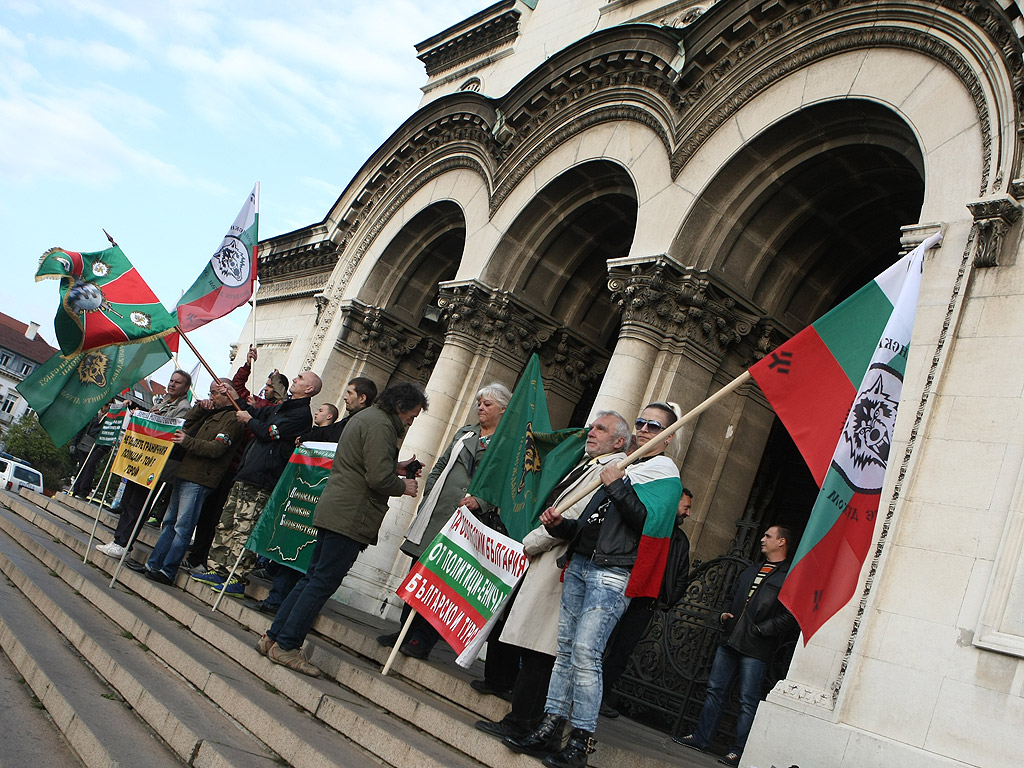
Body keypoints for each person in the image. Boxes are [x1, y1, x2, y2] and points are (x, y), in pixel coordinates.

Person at [507, 403, 682, 768]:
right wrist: (560, 528)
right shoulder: (626, 466)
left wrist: (616, 484)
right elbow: (594, 524)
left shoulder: (664, 474)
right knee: (567, 650)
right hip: (582, 563)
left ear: (668, 436)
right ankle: (552, 725)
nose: (645, 429)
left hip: (612, 572)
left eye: (654, 426)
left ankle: (581, 739)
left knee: (587, 653)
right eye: (641, 422)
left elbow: (645, 523)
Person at [255, 382, 428, 677]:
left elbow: (361, 463)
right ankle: (287, 645)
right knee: (321, 582)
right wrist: (404, 485)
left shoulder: (365, 418)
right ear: (400, 407)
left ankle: (274, 636)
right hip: (351, 515)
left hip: (336, 507)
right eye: (411, 416)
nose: (411, 422)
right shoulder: (382, 426)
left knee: (311, 578)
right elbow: (377, 478)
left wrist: (394, 467)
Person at [475, 411, 630, 740]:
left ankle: (524, 721)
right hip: (549, 560)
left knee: (540, 649)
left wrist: (528, 544)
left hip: (557, 561)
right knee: (534, 645)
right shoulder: (590, 463)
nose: (591, 432)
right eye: (593, 426)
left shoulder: (609, 470)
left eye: (600, 429)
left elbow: (570, 515)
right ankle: (520, 717)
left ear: (619, 442)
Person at [376, 382, 511, 661]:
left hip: (471, 522)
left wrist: (481, 502)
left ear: (503, 408)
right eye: (479, 403)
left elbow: (508, 484)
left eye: (487, 404)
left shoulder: (509, 443)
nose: (481, 408)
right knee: (421, 572)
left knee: (445, 582)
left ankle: (423, 639)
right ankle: (404, 630)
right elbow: (441, 464)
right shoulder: (466, 432)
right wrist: (433, 491)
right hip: (439, 513)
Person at [251, 376, 379, 614]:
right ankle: (278, 599)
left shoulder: (365, 424)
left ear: (362, 398)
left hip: (336, 502)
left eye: (350, 393)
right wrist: (310, 438)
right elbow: (330, 434)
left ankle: (284, 604)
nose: (345, 396)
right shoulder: (352, 421)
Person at [673, 525, 798, 768]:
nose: (762, 539)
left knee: (747, 700)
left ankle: (739, 751)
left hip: (757, 647)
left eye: (768, 536)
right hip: (730, 639)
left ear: (781, 542)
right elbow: (731, 597)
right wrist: (723, 615)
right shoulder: (751, 570)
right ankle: (701, 738)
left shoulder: (788, 576)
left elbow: (790, 614)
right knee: (715, 690)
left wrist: (764, 630)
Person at [190, 370, 322, 595]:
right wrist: (234, 396)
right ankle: (218, 568)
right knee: (227, 522)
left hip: (264, 478)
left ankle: (237, 576)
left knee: (245, 528)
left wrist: (249, 420)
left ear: (309, 389)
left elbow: (268, 432)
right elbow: (255, 413)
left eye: (300, 378)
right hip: (247, 472)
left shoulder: (301, 415)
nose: (296, 379)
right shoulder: (284, 406)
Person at [128, 379, 244, 583]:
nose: (211, 397)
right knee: (169, 523)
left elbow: (217, 448)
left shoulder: (233, 419)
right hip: (185, 472)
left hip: (200, 478)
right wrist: (199, 409)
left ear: (227, 393)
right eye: (210, 393)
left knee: (183, 527)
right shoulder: (211, 412)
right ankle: (153, 564)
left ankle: (168, 570)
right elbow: (186, 426)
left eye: (215, 393)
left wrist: (187, 441)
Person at [600, 488, 693, 718]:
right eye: (686, 506)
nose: (688, 513)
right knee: (600, 641)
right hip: (624, 590)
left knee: (621, 651)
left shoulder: (680, 541)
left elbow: (682, 575)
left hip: (646, 603)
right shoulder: (648, 522)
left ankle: (601, 696)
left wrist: (667, 599)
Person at [95, 370, 192, 559]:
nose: (172, 384)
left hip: (155, 463)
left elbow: (170, 429)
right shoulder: (162, 401)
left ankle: (124, 543)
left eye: (177, 382)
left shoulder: (184, 408)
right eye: (171, 380)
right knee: (128, 500)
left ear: (186, 388)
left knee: (138, 504)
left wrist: (155, 418)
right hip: (142, 459)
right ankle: (118, 539)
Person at [70, 401, 112, 498]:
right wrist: (74, 443)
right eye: (105, 405)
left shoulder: (110, 418)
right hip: (86, 443)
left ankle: (84, 491)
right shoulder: (93, 414)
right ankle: (76, 490)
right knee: (82, 465)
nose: (106, 408)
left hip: (99, 446)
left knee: (90, 465)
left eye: (108, 406)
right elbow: (82, 428)